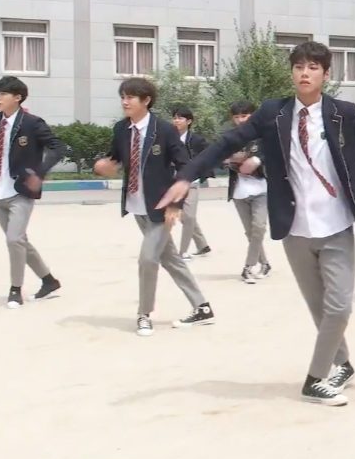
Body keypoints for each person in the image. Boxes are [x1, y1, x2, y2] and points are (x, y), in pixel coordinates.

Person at [158, 42, 355, 406]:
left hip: (336, 224)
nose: (305, 73)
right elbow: (226, 143)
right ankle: (342, 365)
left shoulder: (343, 114)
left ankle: (314, 379)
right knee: (318, 308)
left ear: (326, 74)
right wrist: (186, 176)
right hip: (294, 227)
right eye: (299, 67)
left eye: (313, 67)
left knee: (339, 307)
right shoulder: (273, 112)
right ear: (292, 73)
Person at [95, 80, 214, 337]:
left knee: (148, 259)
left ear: (146, 100)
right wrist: (106, 165)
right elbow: (116, 158)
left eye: (130, 97)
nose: (125, 102)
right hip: (137, 205)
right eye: (123, 97)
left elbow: (185, 167)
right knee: (170, 258)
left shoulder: (165, 130)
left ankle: (144, 313)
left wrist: (176, 203)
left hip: (162, 207)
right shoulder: (121, 129)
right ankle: (202, 307)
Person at [0, 76, 66, 308]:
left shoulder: (32, 123)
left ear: (17, 97)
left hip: (21, 191)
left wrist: (40, 172)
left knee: (14, 239)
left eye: (3, 94)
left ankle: (15, 289)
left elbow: (58, 147)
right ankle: (49, 281)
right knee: (20, 240)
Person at [223, 101, 271, 284]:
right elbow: (219, 158)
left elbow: (273, 153)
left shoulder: (264, 136)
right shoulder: (229, 137)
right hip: (239, 192)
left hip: (261, 189)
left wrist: (257, 159)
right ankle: (265, 264)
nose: (240, 120)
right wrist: (230, 160)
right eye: (236, 117)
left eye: (244, 116)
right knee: (251, 232)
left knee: (259, 227)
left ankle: (248, 267)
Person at [171, 106, 213, 261]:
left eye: (180, 118)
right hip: (174, 183)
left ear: (189, 121)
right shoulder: (170, 139)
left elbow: (209, 156)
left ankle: (182, 252)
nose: (176, 121)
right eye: (175, 118)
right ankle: (202, 245)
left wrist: (201, 174)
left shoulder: (197, 140)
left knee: (188, 216)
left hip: (192, 182)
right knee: (184, 217)